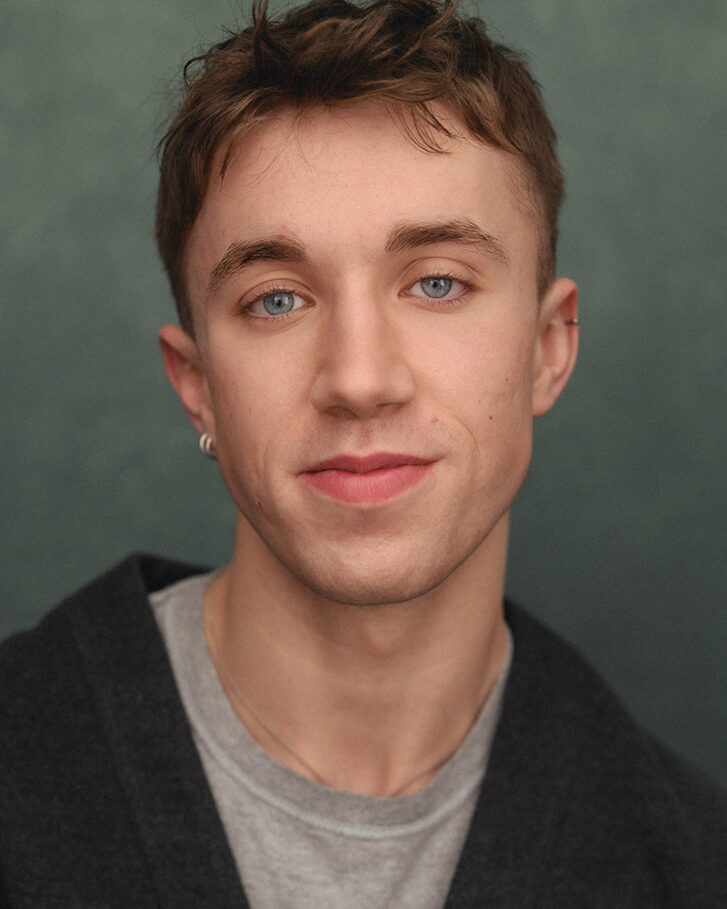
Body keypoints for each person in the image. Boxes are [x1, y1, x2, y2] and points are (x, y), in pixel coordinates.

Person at [1, 0, 725, 905]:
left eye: (436, 283)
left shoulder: (694, 864)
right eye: (276, 299)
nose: (358, 378)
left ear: (547, 349)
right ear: (197, 384)